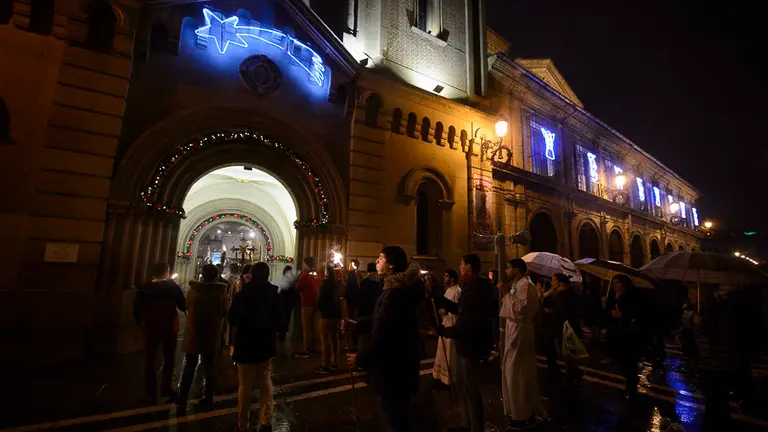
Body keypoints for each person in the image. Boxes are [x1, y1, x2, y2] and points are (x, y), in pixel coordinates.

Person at [346, 246, 425, 432]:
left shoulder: (395, 293)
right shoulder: (393, 288)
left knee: (396, 413)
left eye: (381, 258)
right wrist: (357, 323)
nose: (377, 261)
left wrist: (359, 357)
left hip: (395, 366)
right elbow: (378, 319)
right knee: (396, 411)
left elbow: (383, 332)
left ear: (391, 265)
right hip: (400, 364)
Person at [435, 254, 495, 432]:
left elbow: (469, 320)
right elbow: (461, 309)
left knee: (470, 389)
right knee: (462, 386)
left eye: (462, 264)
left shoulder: (476, 288)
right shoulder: (470, 287)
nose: (460, 267)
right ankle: (466, 423)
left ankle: (476, 427)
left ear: (469, 266)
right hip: (464, 344)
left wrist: (446, 331)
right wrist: (438, 297)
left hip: (471, 345)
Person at [229, 262, 283, 432]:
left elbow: (232, 318)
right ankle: (266, 421)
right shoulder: (274, 294)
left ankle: (242, 423)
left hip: (246, 343)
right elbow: (281, 321)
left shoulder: (243, 293)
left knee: (245, 384)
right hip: (265, 343)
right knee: (265, 381)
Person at [499, 258, 544, 430]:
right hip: (514, 330)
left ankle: (523, 414)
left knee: (518, 373)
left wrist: (506, 294)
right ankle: (516, 411)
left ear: (517, 270)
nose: (506, 271)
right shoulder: (517, 285)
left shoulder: (526, 285)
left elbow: (520, 310)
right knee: (511, 371)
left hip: (520, 332)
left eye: (509, 267)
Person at [133, 262, 186, 404]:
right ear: (166, 273)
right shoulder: (173, 288)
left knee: (149, 360)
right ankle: (166, 388)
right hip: (168, 327)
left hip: (149, 327)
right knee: (169, 358)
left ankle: (149, 393)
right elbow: (183, 305)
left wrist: (141, 323)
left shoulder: (144, 288)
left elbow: (136, 309)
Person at [178, 264, 228, 411]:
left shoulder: (194, 291)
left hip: (194, 332)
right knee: (210, 366)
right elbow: (225, 311)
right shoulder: (221, 293)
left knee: (189, 366)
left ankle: (182, 398)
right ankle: (208, 398)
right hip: (211, 333)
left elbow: (186, 305)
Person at [693, 284, 740, 430]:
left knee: (718, 400)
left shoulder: (722, 309)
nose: (690, 294)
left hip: (719, 363)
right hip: (705, 362)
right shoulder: (696, 310)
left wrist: (704, 323)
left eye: (693, 291)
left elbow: (725, 333)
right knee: (711, 400)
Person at [609, 274, 645, 399]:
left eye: (618, 282)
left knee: (629, 362)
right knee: (622, 362)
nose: (615, 286)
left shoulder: (631, 297)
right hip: (620, 334)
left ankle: (632, 387)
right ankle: (629, 383)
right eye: (613, 283)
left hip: (630, 335)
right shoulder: (615, 297)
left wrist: (622, 316)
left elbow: (636, 315)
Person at [549, 273, 584, 388]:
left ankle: (571, 377)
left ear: (561, 283)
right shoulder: (557, 295)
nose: (552, 283)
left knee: (569, 356)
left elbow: (572, 313)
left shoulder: (570, 296)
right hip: (560, 329)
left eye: (554, 280)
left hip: (568, 330)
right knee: (565, 355)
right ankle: (574, 373)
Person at [433, 269, 461, 386]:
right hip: (446, 323)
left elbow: (456, 310)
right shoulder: (448, 291)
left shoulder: (457, 291)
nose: (444, 279)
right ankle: (441, 377)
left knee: (450, 352)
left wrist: (447, 311)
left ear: (453, 278)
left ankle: (450, 379)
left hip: (452, 324)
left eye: (446, 276)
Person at [316, 265, 342, 373]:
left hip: (327, 315)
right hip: (336, 315)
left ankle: (324, 364)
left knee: (325, 340)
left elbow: (320, 300)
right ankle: (334, 362)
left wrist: (320, 309)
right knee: (334, 338)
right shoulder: (338, 283)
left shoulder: (325, 283)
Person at [294, 257, 320, 358]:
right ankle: (314, 348)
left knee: (306, 328)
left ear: (306, 264)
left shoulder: (305, 275)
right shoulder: (318, 273)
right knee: (313, 327)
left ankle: (307, 349)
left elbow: (298, 287)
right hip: (316, 303)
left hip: (307, 304)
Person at [356, 262, 382, 352]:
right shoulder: (379, 281)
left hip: (365, 313)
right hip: (375, 312)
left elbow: (361, 298)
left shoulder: (366, 282)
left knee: (364, 337)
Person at [277, 265, 299, 342]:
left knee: (283, 316)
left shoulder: (287, 279)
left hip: (284, 300)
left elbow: (283, 288)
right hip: (290, 301)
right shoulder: (293, 279)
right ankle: (283, 332)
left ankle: (281, 333)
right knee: (287, 317)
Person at [344, 259, 361, 351]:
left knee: (350, 322)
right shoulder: (359, 275)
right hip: (356, 302)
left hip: (351, 302)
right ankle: (353, 343)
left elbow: (348, 291)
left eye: (350, 264)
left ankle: (351, 344)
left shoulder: (351, 276)